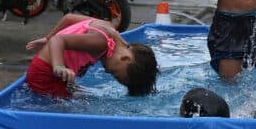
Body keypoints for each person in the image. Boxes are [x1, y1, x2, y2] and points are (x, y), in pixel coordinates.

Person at [24, 14, 158, 98]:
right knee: (69, 105)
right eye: (115, 74)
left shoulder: (108, 27)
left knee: (79, 93)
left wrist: (48, 37)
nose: (107, 71)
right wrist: (59, 66)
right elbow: (58, 41)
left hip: (51, 72)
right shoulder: (101, 43)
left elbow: (69, 18)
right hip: (44, 75)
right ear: (125, 59)